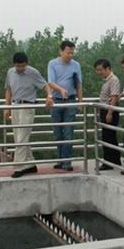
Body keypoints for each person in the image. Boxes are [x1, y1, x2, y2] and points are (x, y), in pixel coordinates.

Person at [3, 52, 54, 178]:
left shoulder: (33, 72)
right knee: (18, 138)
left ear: (26, 64)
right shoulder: (10, 72)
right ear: (14, 64)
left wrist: (49, 96)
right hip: (15, 105)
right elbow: (8, 89)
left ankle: (19, 167)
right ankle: (30, 164)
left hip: (27, 106)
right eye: (18, 66)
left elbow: (46, 85)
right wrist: (7, 107)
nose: (20, 68)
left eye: (23, 66)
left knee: (22, 138)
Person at [47, 40, 83, 171]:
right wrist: (60, 89)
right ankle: (60, 159)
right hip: (56, 101)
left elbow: (79, 84)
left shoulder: (76, 65)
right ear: (61, 51)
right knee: (57, 133)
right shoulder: (52, 64)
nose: (70, 55)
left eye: (72, 53)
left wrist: (80, 102)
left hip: (70, 101)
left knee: (68, 132)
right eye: (68, 53)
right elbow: (51, 82)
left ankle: (67, 162)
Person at [94, 58, 121, 170]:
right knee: (108, 136)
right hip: (105, 110)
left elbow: (114, 97)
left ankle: (110, 161)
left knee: (109, 136)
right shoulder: (107, 80)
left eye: (100, 70)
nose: (98, 72)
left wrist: (110, 113)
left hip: (110, 110)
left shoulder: (113, 80)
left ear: (107, 68)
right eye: (97, 70)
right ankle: (113, 160)